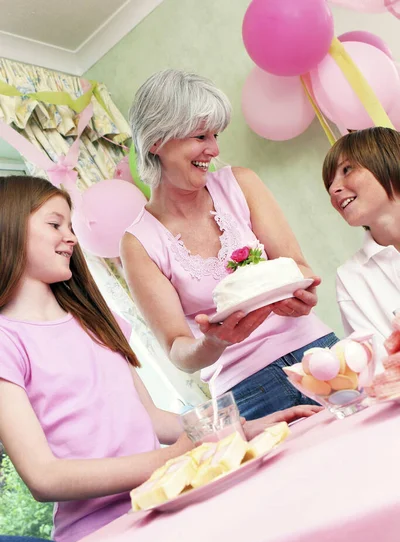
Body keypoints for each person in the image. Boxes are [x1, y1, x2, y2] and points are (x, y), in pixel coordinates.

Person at [0, 175, 319, 542]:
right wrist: (175, 456)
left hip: (166, 503)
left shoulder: (96, 322)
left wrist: (241, 428)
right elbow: (44, 477)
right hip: (102, 538)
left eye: (70, 226)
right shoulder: (6, 340)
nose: (70, 237)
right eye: (55, 224)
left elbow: (152, 419)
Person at [121, 69, 337, 420]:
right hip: (249, 395)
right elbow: (178, 350)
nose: (214, 149)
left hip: (318, 354)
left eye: (216, 134)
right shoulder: (138, 243)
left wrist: (303, 296)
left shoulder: (241, 183)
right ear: (156, 141)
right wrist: (214, 342)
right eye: (200, 135)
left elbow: (297, 266)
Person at [322, 127, 400, 360]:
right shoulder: (351, 277)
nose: (334, 189)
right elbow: (382, 366)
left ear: (389, 162)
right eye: (329, 183)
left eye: (347, 170)